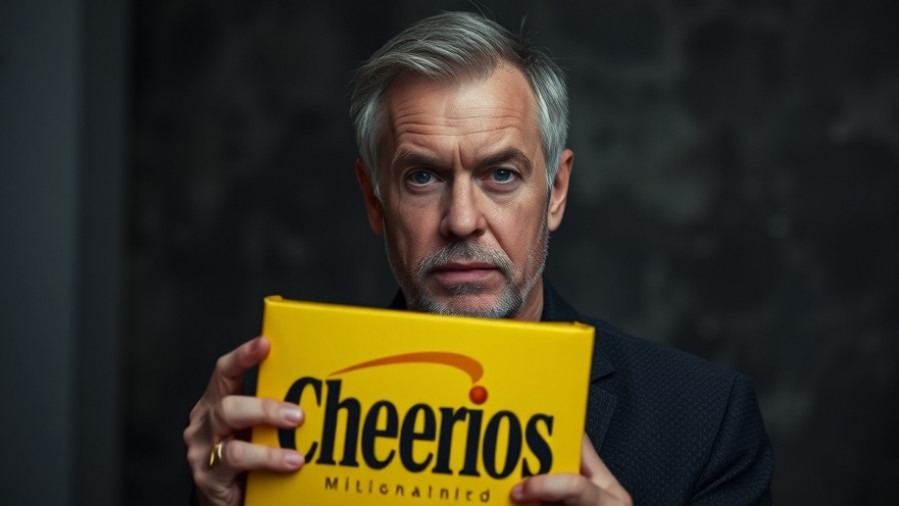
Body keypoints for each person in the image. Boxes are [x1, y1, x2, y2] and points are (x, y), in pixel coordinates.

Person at [183, 11, 773, 505]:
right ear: (373, 199)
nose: (462, 219)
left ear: (556, 192)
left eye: (501, 174)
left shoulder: (705, 422)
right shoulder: (275, 415)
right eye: (421, 176)